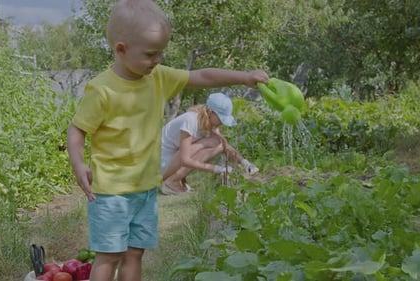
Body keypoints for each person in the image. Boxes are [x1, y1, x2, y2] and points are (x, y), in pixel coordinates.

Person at [66, 0, 268, 280]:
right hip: (111, 191)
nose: (158, 60)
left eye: (161, 52)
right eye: (150, 54)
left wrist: (243, 77)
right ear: (121, 49)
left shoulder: (158, 77)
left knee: (135, 253)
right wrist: (77, 163)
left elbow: (203, 75)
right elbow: (77, 130)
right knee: (109, 255)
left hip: (146, 188)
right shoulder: (102, 90)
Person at [161, 93, 259, 195]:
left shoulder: (208, 122)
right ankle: (171, 183)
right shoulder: (190, 120)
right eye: (221, 118)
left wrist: (245, 163)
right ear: (210, 112)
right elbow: (184, 159)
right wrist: (218, 169)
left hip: (170, 162)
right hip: (159, 166)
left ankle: (175, 180)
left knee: (217, 144)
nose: (222, 123)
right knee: (209, 143)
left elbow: (224, 146)